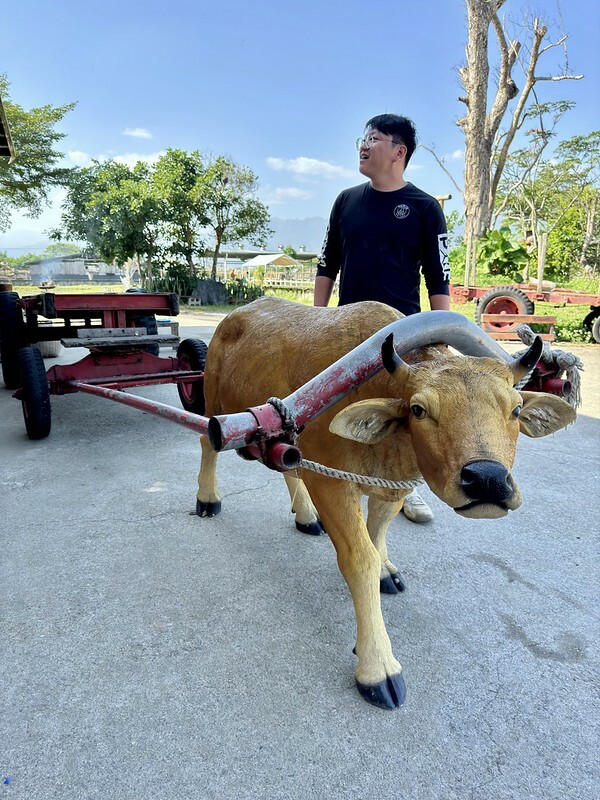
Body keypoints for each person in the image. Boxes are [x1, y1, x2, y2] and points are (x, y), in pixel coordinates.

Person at [314, 113, 451, 523]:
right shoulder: (346, 201)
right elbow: (326, 263)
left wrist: (442, 335)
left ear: (398, 151)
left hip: (401, 336)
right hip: (345, 331)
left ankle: (404, 489)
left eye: (374, 138)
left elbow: (439, 276)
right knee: (344, 407)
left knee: (405, 414)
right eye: (363, 137)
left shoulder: (425, 208)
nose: (363, 144)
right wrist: (316, 320)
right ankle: (342, 478)